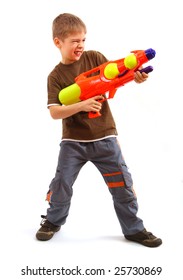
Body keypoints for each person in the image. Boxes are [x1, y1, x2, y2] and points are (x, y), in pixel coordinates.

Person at [36, 13, 162, 247]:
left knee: (122, 185)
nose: (80, 45)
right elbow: (54, 112)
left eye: (83, 39)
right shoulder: (55, 76)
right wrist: (81, 105)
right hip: (73, 142)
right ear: (58, 42)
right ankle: (52, 221)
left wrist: (135, 76)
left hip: (105, 137)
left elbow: (116, 75)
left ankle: (134, 229)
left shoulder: (94, 58)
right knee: (62, 184)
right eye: (74, 41)